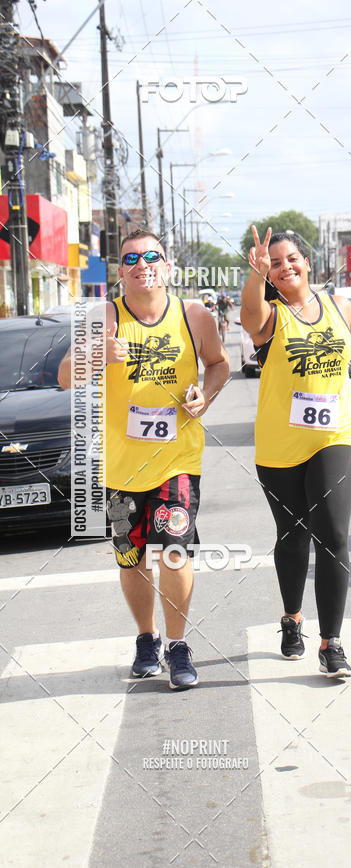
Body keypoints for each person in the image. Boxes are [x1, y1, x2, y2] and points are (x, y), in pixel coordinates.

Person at [58, 229, 229, 689]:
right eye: (131, 257)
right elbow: (63, 377)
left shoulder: (194, 316)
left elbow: (219, 364)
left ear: (167, 267)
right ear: (121, 271)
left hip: (177, 459)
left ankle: (178, 646)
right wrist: (98, 353)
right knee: (131, 556)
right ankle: (146, 638)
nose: (142, 263)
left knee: (172, 548)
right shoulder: (105, 316)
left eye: (152, 255)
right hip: (119, 464)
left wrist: (205, 396)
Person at [241, 227, 351, 679]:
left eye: (291, 258)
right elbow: (249, 317)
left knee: (331, 532)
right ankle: (292, 618)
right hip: (281, 446)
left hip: (340, 434)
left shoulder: (340, 306)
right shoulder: (272, 317)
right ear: (268, 273)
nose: (285, 267)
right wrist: (254, 276)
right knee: (292, 536)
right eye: (275, 263)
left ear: (307, 261)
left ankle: (331, 643)